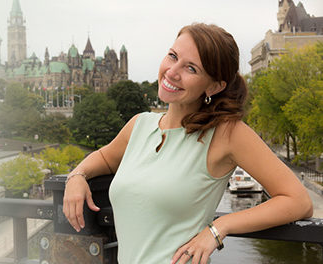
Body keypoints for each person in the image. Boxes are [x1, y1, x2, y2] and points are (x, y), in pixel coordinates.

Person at [63, 23, 313, 264]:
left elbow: (298, 201)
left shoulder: (226, 133)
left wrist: (219, 228)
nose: (172, 71)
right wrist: (77, 176)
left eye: (191, 68)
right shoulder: (140, 125)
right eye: (173, 56)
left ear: (214, 86)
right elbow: (106, 158)